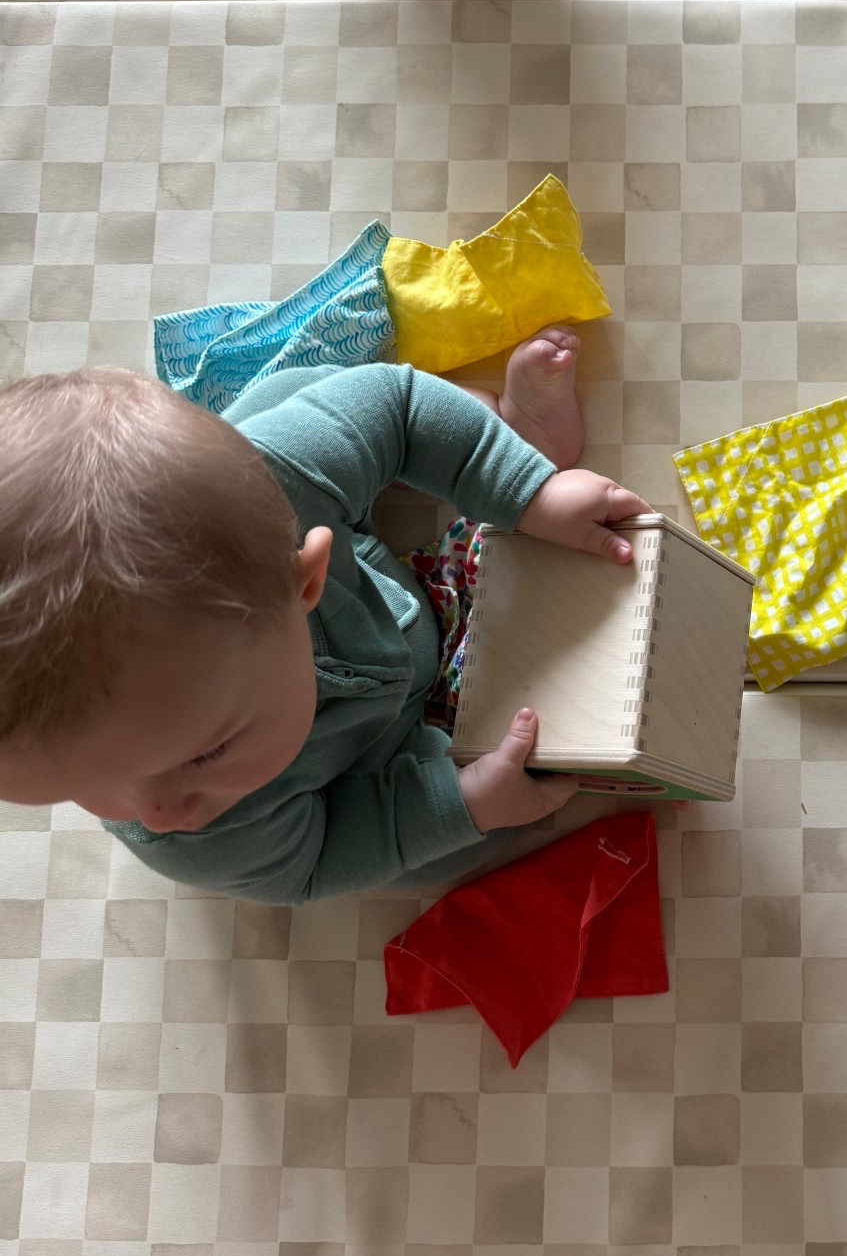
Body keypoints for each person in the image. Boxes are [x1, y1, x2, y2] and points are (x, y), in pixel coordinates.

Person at [0, 332, 645, 905]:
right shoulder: (206, 839)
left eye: (208, 753)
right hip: (365, 762)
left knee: (348, 408)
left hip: (342, 558)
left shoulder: (281, 481)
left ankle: (515, 438)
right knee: (466, 835)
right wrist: (465, 804)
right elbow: (313, 861)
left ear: (303, 580)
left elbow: (399, 407)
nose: (161, 814)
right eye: (82, 786)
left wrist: (526, 490)